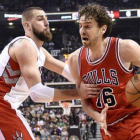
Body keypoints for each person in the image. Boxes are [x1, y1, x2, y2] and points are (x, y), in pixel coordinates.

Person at [0, 7, 100, 140]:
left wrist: (95, 82)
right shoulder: (24, 45)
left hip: (7, 106)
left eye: (46, 19)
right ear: (27, 25)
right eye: (40, 19)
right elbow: (37, 93)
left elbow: (66, 70)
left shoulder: (40, 52)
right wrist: (79, 93)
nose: (47, 23)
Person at [68, 3, 140, 140]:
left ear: (103, 29)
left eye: (88, 26)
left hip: (135, 119)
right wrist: (97, 116)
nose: (82, 31)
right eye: (80, 26)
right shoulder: (74, 60)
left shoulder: (125, 49)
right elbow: (84, 101)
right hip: (108, 127)